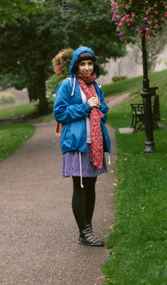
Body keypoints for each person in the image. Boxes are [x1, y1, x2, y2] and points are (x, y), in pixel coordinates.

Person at [53, 46, 111, 246]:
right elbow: (59, 113)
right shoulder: (67, 85)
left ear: (94, 65)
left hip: (94, 143)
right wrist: (86, 107)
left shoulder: (97, 86)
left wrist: (99, 107)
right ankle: (84, 232)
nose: (86, 68)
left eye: (89, 63)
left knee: (91, 185)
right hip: (77, 144)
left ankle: (88, 229)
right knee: (80, 187)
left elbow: (104, 111)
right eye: (82, 64)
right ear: (76, 65)